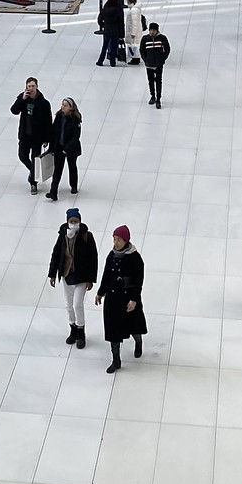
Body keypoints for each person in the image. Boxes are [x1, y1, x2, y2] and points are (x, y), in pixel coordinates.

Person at [48, 208, 99, 348]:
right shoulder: (62, 236)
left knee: (77, 304)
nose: (74, 223)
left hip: (81, 277)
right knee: (68, 305)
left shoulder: (86, 236)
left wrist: (91, 279)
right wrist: (52, 273)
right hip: (66, 275)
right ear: (67, 222)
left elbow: (93, 258)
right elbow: (56, 254)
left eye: (76, 221)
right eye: (71, 221)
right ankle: (73, 329)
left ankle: (81, 331)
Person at [98, 226, 146, 373]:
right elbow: (106, 275)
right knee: (113, 329)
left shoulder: (135, 258)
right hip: (113, 299)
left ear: (126, 240)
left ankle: (138, 343)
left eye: (119, 239)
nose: (115, 242)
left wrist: (134, 299)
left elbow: (139, 280)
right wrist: (101, 292)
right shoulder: (111, 256)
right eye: (114, 239)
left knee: (134, 326)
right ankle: (116, 360)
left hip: (128, 298)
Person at [11, 78, 54, 193]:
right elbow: (14, 110)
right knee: (22, 156)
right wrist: (22, 99)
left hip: (37, 137)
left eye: (33, 86)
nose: (31, 88)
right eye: (29, 86)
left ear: (37, 86)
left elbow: (48, 122)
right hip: (25, 135)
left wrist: (46, 139)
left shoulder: (44, 103)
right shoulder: (23, 98)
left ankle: (33, 182)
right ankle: (33, 172)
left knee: (35, 159)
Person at [50, 98, 84, 198]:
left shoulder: (75, 119)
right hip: (59, 148)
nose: (63, 107)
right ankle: (53, 191)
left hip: (71, 149)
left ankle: (73, 185)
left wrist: (67, 149)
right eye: (62, 105)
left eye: (65, 105)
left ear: (71, 107)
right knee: (57, 170)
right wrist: (52, 147)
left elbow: (75, 137)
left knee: (72, 166)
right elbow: (54, 131)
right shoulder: (59, 116)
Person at [139, 23, 171, 108]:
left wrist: (162, 59)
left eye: (154, 30)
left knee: (158, 81)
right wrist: (145, 60)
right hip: (149, 64)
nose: (152, 32)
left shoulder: (162, 38)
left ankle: (158, 99)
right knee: (150, 81)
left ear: (157, 31)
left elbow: (167, 49)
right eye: (151, 30)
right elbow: (142, 50)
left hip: (158, 64)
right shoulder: (145, 39)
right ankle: (152, 96)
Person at [95, 0, 124, 67]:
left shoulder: (105, 8)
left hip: (107, 28)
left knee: (105, 46)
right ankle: (112, 62)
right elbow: (120, 22)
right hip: (115, 29)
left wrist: (103, 25)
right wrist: (122, 34)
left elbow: (99, 19)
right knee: (114, 46)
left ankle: (100, 61)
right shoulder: (117, 9)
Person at [123, 0, 145, 64]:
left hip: (134, 32)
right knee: (134, 45)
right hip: (136, 31)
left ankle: (135, 59)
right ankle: (135, 58)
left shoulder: (134, 10)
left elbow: (134, 23)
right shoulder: (135, 9)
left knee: (134, 45)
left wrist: (133, 33)